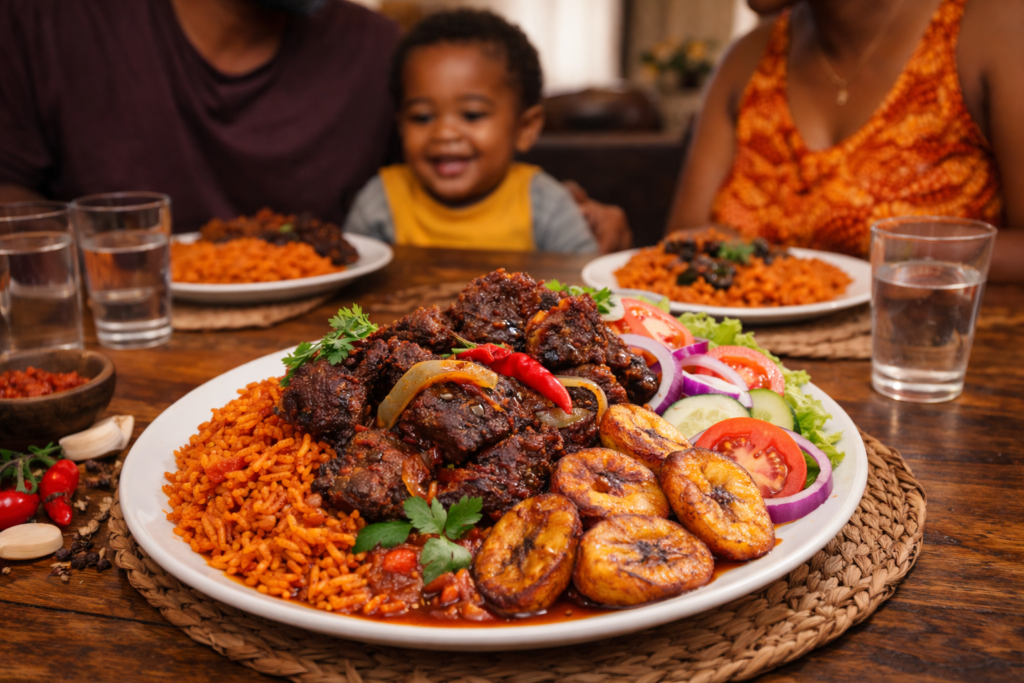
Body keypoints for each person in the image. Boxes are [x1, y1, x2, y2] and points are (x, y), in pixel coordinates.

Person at [0, 0, 632, 251]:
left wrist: (571, 214)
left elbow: (465, 172)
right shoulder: (41, 23)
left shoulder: (383, 50)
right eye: (423, 115)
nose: (443, 127)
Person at [668, 0, 1024, 282]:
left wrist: (914, 251)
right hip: (751, 352)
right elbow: (677, 248)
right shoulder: (746, 59)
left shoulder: (990, 27)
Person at [344, 9, 597, 253]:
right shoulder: (380, 203)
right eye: (422, 117)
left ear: (525, 128)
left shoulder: (546, 206)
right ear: (401, 125)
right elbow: (350, 269)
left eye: (472, 115)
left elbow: (584, 277)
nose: (444, 133)